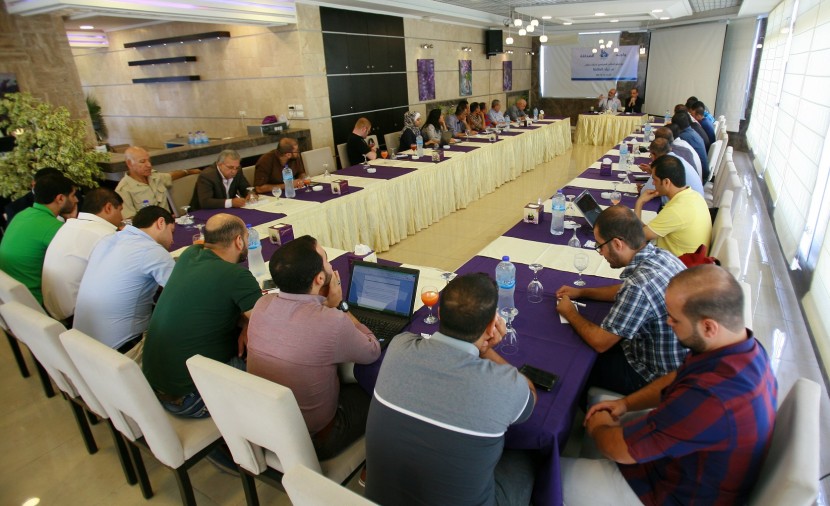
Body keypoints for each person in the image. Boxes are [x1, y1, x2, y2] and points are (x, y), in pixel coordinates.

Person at [561, 265, 777, 505]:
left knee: (548, 475)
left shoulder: (709, 398)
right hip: (682, 462)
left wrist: (598, 426)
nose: (668, 322)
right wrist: (625, 403)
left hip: (668, 492)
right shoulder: (745, 347)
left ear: (708, 327)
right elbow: (677, 376)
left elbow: (619, 450)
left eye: (675, 318)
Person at [366, 273, 537, 506]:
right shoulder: (506, 384)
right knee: (529, 455)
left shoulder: (398, 346)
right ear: (491, 326)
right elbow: (530, 393)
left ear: (439, 313)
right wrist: (486, 350)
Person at [247, 235, 380, 460]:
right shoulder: (332, 321)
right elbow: (372, 350)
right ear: (319, 278)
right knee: (379, 390)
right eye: (327, 260)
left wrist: (326, 306)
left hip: (268, 425)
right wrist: (340, 307)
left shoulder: (262, 304)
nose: (330, 265)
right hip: (317, 440)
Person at [556, 206, 687, 395]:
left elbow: (600, 342)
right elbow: (623, 289)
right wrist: (583, 292)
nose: (600, 252)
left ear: (617, 244)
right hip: (678, 362)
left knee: (572, 366)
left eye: (600, 246)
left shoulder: (639, 286)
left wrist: (570, 312)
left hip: (652, 375)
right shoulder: (662, 256)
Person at [142, 214, 262, 418]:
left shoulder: (190, 254)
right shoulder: (236, 276)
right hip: (192, 398)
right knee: (272, 359)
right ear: (239, 241)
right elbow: (270, 326)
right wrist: (251, 324)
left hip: (153, 387)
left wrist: (248, 324)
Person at [73, 206, 176, 359]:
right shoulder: (151, 250)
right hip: (122, 353)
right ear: (160, 223)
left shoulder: (107, 240)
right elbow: (184, 291)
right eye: (172, 232)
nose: (172, 240)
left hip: (81, 348)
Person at [42, 187, 123, 321]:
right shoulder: (105, 235)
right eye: (120, 210)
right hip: (78, 317)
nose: (122, 217)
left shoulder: (69, 226)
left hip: (53, 310)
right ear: (108, 208)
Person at [0, 172, 77, 305]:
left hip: (10, 300)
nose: (76, 200)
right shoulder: (54, 228)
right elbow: (76, 266)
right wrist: (73, 223)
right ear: (60, 198)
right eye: (73, 195)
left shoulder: (21, 215)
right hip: (37, 302)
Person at [635, 154, 712, 257]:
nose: (653, 183)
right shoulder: (694, 196)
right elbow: (650, 230)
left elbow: (637, 236)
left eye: (655, 179)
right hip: (691, 259)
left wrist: (639, 203)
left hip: (678, 263)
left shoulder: (676, 210)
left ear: (666, 182)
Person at [115, 146, 199, 219]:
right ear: (129, 163)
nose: (149, 165)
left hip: (168, 223)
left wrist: (189, 172)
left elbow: (171, 176)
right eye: (143, 161)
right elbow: (129, 220)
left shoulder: (154, 177)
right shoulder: (123, 189)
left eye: (149, 161)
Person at [638, 138, 704, 201]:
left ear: (653, 155)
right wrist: (652, 172)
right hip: (697, 200)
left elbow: (645, 192)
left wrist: (643, 188)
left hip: (685, 203)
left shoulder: (664, 164)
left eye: (650, 155)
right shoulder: (675, 159)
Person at [671, 112, 710, 181]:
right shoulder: (691, 131)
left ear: (676, 126)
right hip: (702, 172)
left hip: (700, 177)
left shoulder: (683, 137)